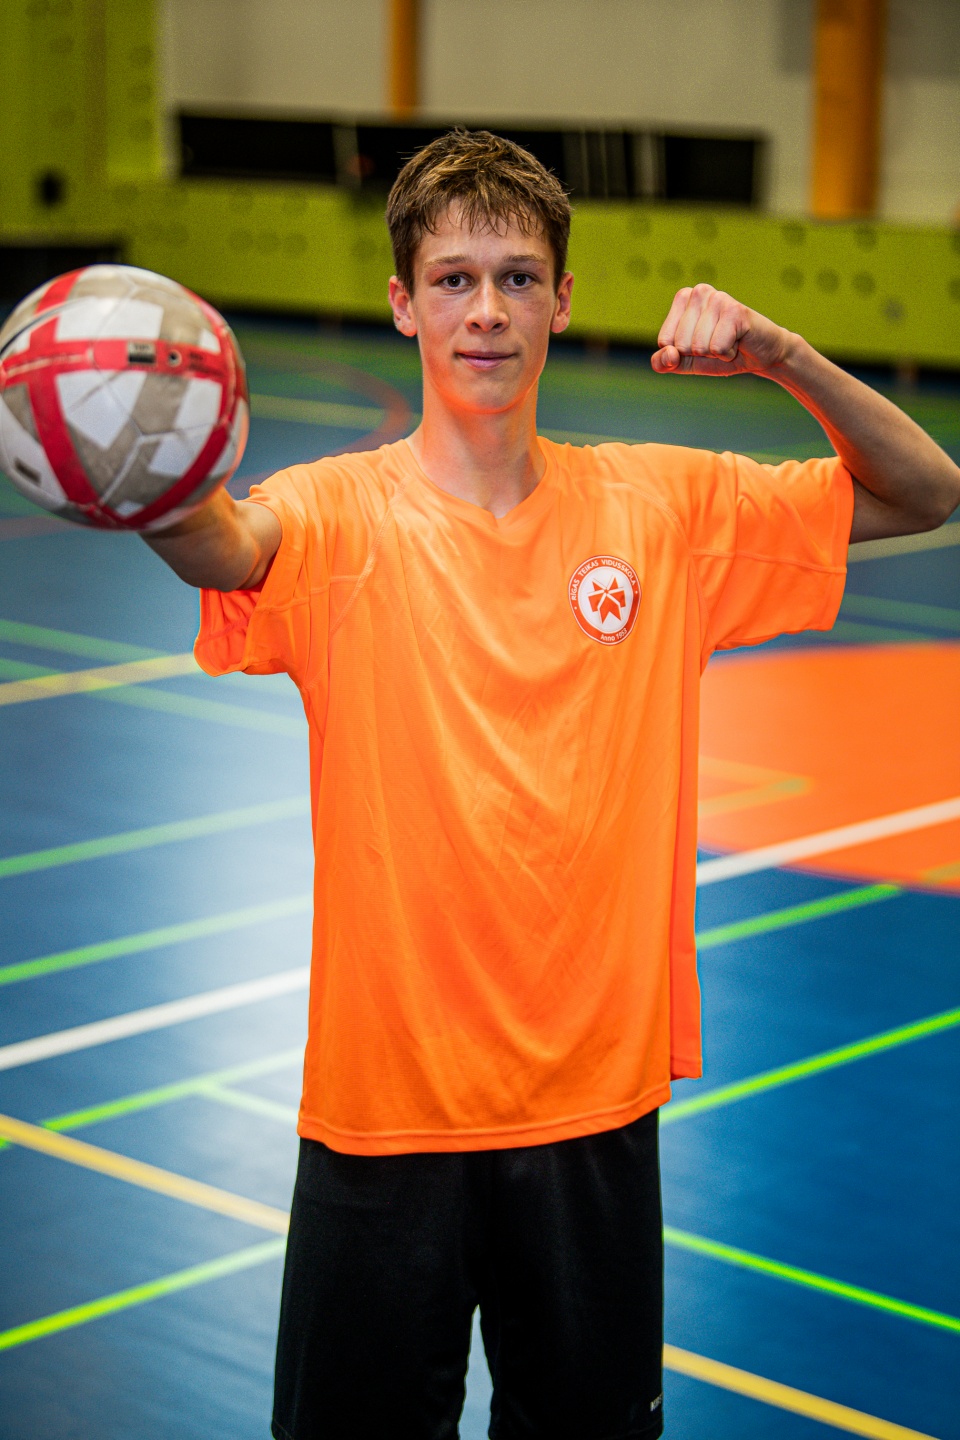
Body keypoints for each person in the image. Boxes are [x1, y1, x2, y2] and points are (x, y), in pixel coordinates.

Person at [144, 130, 960, 1440]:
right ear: (403, 302)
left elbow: (925, 491)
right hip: (385, 1113)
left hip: (592, 1108)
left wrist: (782, 356)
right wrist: (144, 473)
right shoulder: (336, 512)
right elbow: (226, 544)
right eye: (454, 280)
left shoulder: (660, 510)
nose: (487, 310)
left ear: (563, 302)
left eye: (518, 278)